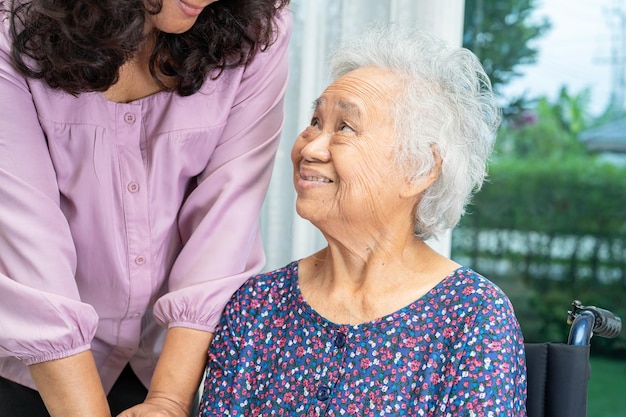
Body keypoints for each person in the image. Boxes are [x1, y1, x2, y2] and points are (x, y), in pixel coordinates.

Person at [196, 24, 527, 416]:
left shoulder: (472, 316)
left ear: (419, 170)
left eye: (345, 128)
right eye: (316, 122)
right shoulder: (258, 305)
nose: (311, 147)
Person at [0, 0, 291, 416]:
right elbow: (27, 238)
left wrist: (169, 403)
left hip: (166, 360)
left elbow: (226, 221)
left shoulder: (256, 28)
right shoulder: (12, 29)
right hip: (34, 364)